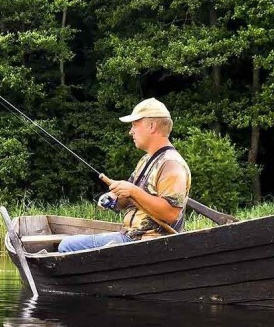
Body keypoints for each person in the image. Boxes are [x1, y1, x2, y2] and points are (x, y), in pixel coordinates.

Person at [58, 98, 191, 253]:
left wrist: (133, 191)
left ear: (152, 126)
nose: (130, 131)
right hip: (132, 237)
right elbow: (128, 199)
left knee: (68, 246)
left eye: (135, 125)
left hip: (149, 243)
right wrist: (114, 197)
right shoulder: (146, 160)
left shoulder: (171, 164)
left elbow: (170, 213)